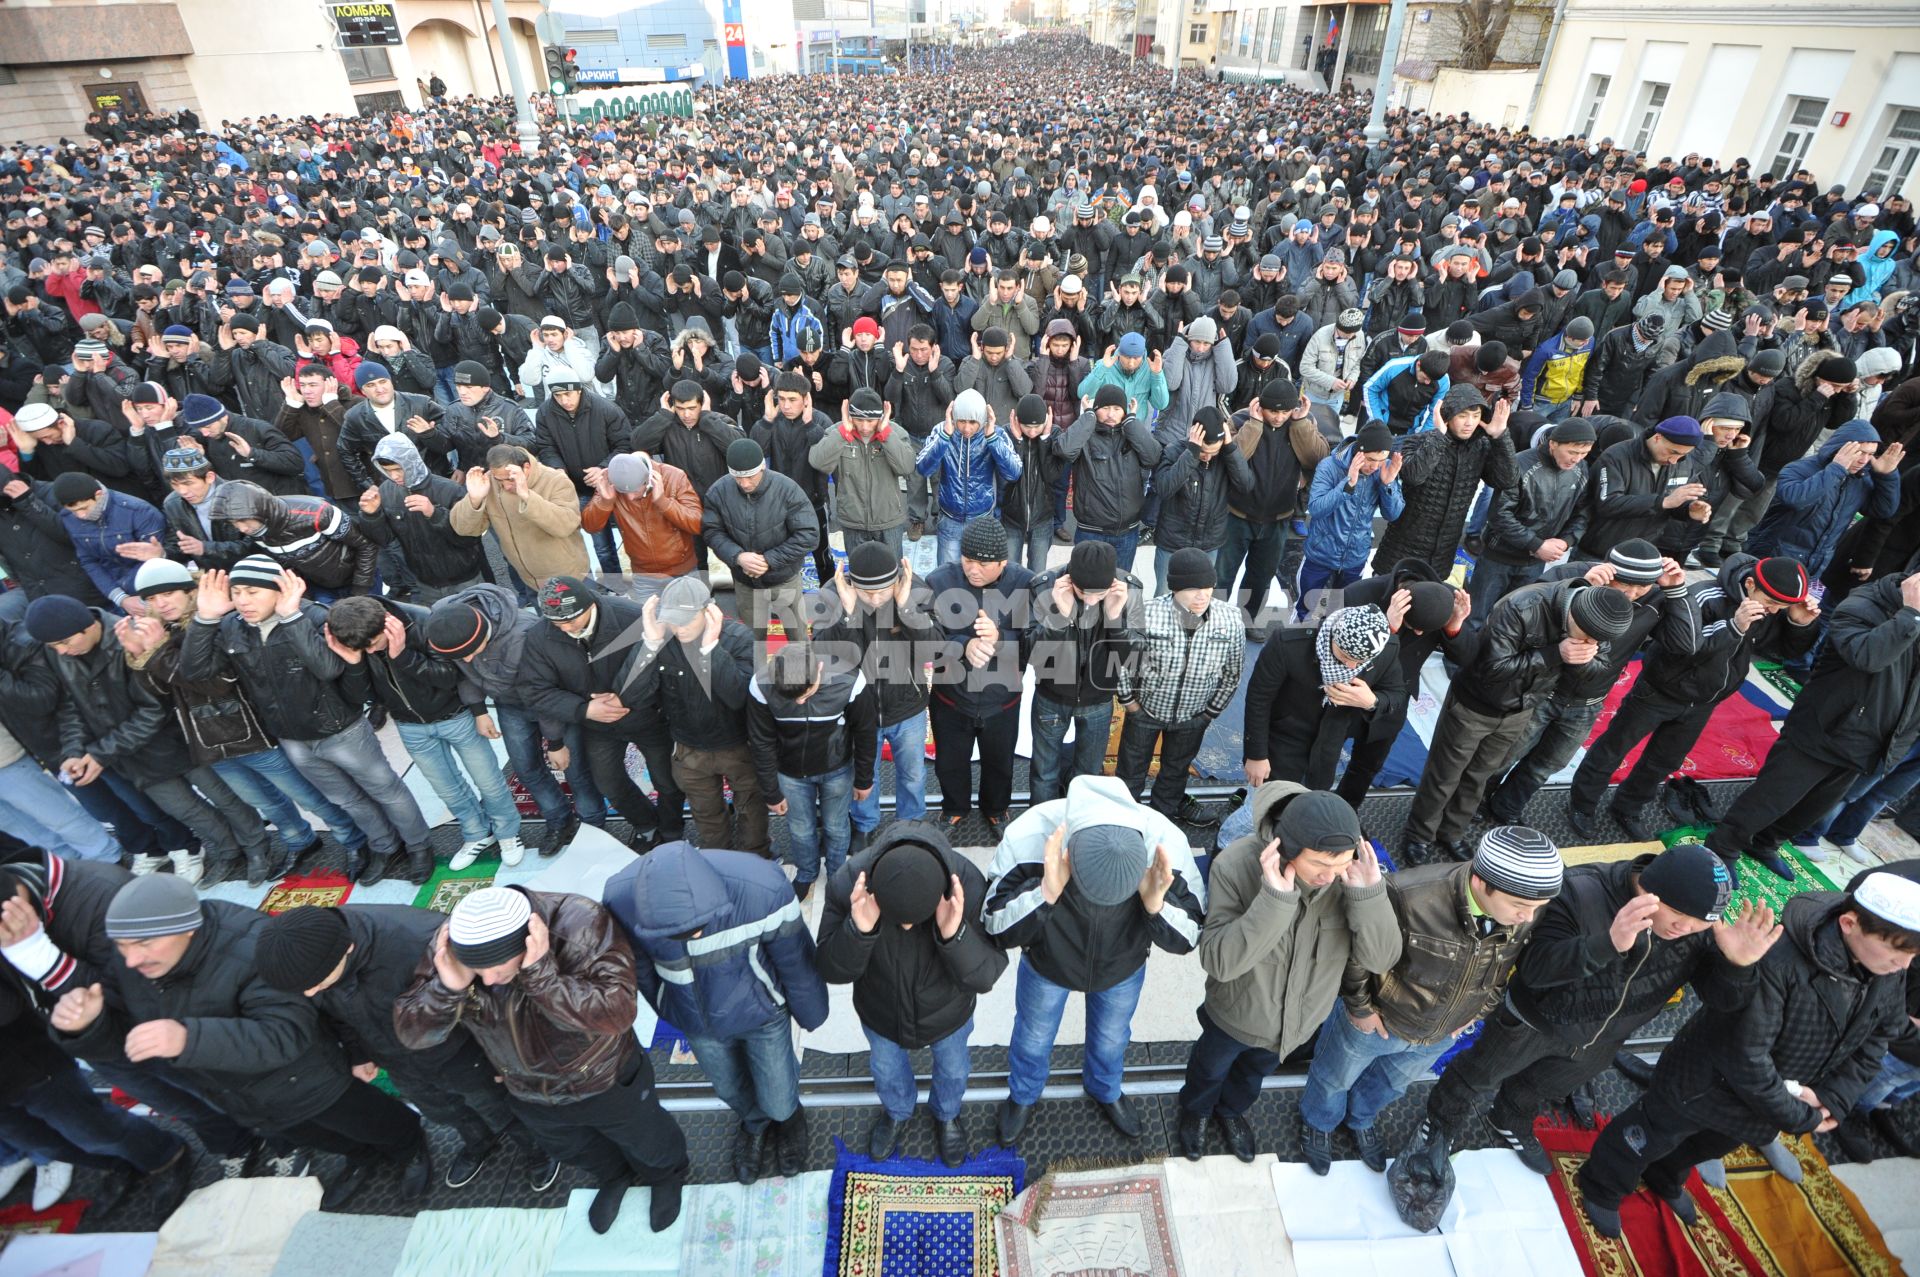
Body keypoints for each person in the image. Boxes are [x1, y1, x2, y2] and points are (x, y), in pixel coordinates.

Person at [52, 875, 430, 1211]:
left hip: (306, 1080)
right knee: (316, 1135)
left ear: (186, 928)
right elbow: (131, 1040)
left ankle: (409, 1148)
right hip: (237, 1096)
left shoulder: (250, 946)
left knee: (368, 1119)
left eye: (144, 943)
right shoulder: (138, 963)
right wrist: (89, 1026)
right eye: (122, 947)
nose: (131, 959)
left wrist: (188, 1038)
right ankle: (362, 1156)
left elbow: (286, 1033)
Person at [1575, 871, 1918, 1239]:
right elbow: (1745, 1054)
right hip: (1703, 1083)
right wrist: (1800, 1116)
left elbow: (1879, 1037)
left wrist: (1833, 1097)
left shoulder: (1885, 969)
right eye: (1899, 952)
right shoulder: (1780, 958)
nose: (1906, 966)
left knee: (1707, 1144)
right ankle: (1601, 1184)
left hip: (1763, 1106)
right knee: (1648, 1133)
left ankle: (1665, 1174)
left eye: (1913, 956)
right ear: (1849, 923)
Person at [394, 886, 689, 1235]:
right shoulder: (457, 942)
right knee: (574, 1147)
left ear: (527, 944)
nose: (487, 981)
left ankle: (666, 1176)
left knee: (646, 1136)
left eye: (497, 971)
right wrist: (448, 989)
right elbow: (413, 1033)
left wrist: (541, 976)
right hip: (526, 1089)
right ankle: (614, 1175)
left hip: (602, 1076)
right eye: (477, 971)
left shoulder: (582, 923)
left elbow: (617, 1012)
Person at [1300, 826, 1562, 1174]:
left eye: (1538, 907)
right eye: (1520, 906)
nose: (1528, 917)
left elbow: (1504, 966)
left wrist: (1479, 1011)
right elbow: (1357, 953)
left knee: (1392, 1084)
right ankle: (1320, 1122)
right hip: (1377, 1021)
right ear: (1483, 883)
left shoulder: (1525, 907)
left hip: (1440, 1033)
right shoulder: (1408, 896)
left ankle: (1360, 1119)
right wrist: (1361, 1008)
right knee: (1333, 1077)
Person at [253, 905, 551, 1194]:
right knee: (443, 1110)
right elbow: (335, 1013)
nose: (309, 993)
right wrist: (359, 1053)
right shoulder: (313, 963)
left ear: (345, 949)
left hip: (460, 1053)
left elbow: (493, 1003)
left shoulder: (418, 942)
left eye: (316, 984)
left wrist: (501, 1059)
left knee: (499, 1107)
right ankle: (479, 1142)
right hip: (396, 1059)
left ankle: (537, 1149)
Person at [179, 556, 432, 885]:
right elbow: (194, 672)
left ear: (280, 589)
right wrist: (205, 618)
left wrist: (291, 617)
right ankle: (385, 846)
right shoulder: (232, 627)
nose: (243, 600)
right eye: (237, 591)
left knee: (386, 790)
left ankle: (419, 846)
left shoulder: (313, 617)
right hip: (291, 737)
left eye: (253, 591)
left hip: (342, 730)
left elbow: (329, 669)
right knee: (346, 799)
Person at [983, 775, 1207, 1145]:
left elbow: (1189, 938)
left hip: (1121, 965)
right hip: (1048, 963)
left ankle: (1105, 1088)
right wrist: (1046, 892)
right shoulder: (1030, 834)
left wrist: (1155, 905)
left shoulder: (1165, 843)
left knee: (1111, 1039)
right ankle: (1023, 1094)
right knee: (1033, 1037)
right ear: (1070, 852)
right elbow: (994, 925)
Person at [1180, 787, 1399, 1162]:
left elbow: (1381, 958)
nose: (1330, 877)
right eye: (1319, 865)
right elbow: (1219, 961)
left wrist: (1370, 896)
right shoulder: (1235, 866)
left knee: (1251, 1078)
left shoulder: (1354, 880)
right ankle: (1195, 1112)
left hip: (1296, 1023)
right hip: (1235, 1013)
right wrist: (1274, 901)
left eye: (1340, 864)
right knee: (1209, 1068)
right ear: (1287, 847)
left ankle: (1230, 1112)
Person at [604, 842, 826, 1184]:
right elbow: (642, 968)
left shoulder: (762, 889)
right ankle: (753, 1123)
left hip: (762, 1015)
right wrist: (665, 1005)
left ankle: (788, 1118)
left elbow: (794, 959)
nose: (692, 936)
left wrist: (811, 1011)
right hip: (697, 1022)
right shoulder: (620, 901)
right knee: (728, 1087)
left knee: (778, 1095)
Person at [1569, 554, 1816, 848]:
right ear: (1750, 584)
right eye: (1772, 603)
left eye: (1782, 608)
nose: (1774, 611)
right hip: (1661, 689)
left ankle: (1628, 807)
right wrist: (1733, 626)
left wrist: (1801, 625)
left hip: (1703, 701)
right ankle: (1582, 804)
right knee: (1616, 746)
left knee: (1664, 760)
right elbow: (1684, 645)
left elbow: (1780, 651)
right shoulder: (1705, 596)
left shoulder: (1770, 608)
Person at [27, 594, 274, 887]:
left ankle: (258, 846)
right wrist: (73, 751)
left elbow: (154, 708)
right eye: (54, 647)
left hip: (179, 739)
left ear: (86, 625)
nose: (62, 651)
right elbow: (70, 710)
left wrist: (102, 753)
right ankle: (228, 851)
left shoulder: (129, 635)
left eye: (64, 643)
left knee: (224, 795)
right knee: (186, 809)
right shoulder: (59, 655)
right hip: (134, 757)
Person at [1709, 569, 1920, 882]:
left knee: (1811, 809)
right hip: (1826, 728)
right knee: (1771, 798)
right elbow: (1868, 657)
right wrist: (1911, 616)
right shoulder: (1862, 605)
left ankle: (1766, 843)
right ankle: (1722, 847)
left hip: (1873, 740)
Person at [816, 821, 1007, 1166]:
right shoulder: (848, 882)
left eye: (914, 921)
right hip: (881, 1011)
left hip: (948, 1013)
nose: (905, 927)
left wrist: (955, 934)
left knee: (953, 1069)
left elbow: (986, 975)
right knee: (885, 1069)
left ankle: (947, 1114)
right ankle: (898, 1111)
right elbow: (830, 969)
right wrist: (858, 930)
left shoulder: (967, 881)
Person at [1405, 577, 1635, 862]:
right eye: (1585, 638)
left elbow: (1600, 667)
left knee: (1479, 776)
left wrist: (1584, 659)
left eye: (1594, 642)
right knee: (1445, 775)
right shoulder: (1522, 606)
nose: (1589, 644)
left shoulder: (1598, 621)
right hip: (1475, 704)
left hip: (1522, 709)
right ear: (1574, 615)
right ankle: (1419, 835)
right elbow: (1490, 666)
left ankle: (1452, 831)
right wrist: (1555, 653)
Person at [1485, 544, 1696, 826]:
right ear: (1610, 571)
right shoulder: (1577, 573)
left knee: (1547, 765)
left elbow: (1687, 644)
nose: (1631, 595)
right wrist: (1580, 590)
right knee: (1506, 754)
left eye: (1640, 588)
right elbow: (1526, 607)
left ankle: (1507, 807)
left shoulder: (1657, 597)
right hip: (1542, 689)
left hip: (1588, 700)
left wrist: (1677, 590)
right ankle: (1475, 801)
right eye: (1624, 585)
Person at [322, 595, 526, 877]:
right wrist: (353, 664)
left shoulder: (422, 622)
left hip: (455, 716)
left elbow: (448, 676)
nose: (369, 652)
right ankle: (476, 833)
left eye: (372, 645)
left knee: (488, 781)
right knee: (447, 788)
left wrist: (403, 655)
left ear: (387, 626)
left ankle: (507, 832)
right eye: (361, 649)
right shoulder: (356, 640)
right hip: (410, 725)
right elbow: (361, 697)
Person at [520, 575, 684, 848]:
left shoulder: (630, 617)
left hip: (649, 717)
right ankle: (646, 826)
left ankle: (672, 829)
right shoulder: (541, 636)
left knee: (667, 780)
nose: (564, 628)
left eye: (571, 620)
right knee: (609, 784)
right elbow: (533, 690)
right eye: (557, 623)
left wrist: (630, 698)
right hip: (596, 725)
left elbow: (666, 669)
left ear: (590, 606)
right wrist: (584, 709)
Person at [1114, 548, 1244, 825]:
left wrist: (1209, 712)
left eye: (1207, 587)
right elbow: (1124, 664)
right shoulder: (1147, 613)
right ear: (1174, 588)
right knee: (1130, 771)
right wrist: (1131, 704)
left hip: (1193, 717)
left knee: (1175, 771)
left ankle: (1162, 819)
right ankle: (1124, 821)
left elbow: (1233, 673)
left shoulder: (1231, 619)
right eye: (1193, 588)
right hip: (1145, 712)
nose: (1202, 595)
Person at [924, 518, 1036, 833]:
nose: (974, 569)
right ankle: (953, 807)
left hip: (1002, 700)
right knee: (950, 762)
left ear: (1004, 561)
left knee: (1000, 763)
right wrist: (963, 645)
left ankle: (996, 809)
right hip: (951, 698)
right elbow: (922, 641)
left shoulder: (1025, 584)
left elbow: (1038, 644)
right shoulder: (939, 582)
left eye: (984, 564)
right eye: (968, 560)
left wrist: (1000, 639)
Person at [822, 544, 936, 851]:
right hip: (859, 711)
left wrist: (906, 607)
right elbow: (827, 655)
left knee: (912, 774)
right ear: (851, 583)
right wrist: (847, 614)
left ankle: (911, 824)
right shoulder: (833, 595)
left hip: (907, 705)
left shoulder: (919, 591)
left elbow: (934, 651)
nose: (874, 599)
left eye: (882, 591)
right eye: (866, 592)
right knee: (864, 773)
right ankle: (864, 824)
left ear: (898, 579)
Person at [747, 639, 877, 900]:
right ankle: (806, 873)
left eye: (806, 693)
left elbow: (865, 733)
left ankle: (838, 873)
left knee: (837, 826)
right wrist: (771, 792)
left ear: (819, 668)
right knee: (799, 828)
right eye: (792, 697)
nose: (800, 701)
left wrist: (864, 779)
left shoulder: (850, 680)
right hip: (790, 773)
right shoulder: (760, 686)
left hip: (837, 769)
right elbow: (761, 743)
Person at [1025, 540, 1144, 805]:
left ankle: (1079, 826)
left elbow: (1133, 659)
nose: (1090, 600)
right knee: (1044, 774)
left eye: (1098, 594)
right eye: (1083, 592)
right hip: (1051, 697)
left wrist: (1115, 619)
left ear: (1112, 584)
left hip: (1099, 699)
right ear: (1069, 580)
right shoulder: (1043, 587)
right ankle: (1044, 830)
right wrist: (1059, 617)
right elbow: (1030, 654)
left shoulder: (1130, 590)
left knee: (1088, 775)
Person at [1243, 603, 1406, 794]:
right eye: (1345, 656)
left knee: (1305, 813)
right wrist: (1256, 755)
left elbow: (1397, 693)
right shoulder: (1289, 644)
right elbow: (1259, 699)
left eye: (1361, 662)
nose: (1352, 666)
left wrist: (1371, 702)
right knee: (1257, 813)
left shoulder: (1386, 649)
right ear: (1333, 637)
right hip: (1282, 742)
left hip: (1327, 752)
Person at [1216, 379, 1330, 628]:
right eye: (1273, 411)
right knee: (1222, 576)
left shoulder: (1303, 422)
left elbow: (1318, 459)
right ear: (1260, 406)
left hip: (1278, 519)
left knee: (1260, 578)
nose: (1279, 417)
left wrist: (1300, 422)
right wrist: (1255, 425)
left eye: (1285, 412)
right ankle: (1216, 622)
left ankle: (1247, 621)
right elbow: (1232, 459)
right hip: (1236, 515)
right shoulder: (1240, 420)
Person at [1371, 387, 1516, 579]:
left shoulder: (1481, 447)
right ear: (1447, 414)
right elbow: (1414, 476)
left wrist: (1500, 437)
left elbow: (1507, 480)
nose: (1469, 423)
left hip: (1441, 558)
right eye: (1463, 415)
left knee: (1428, 607)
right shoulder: (1417, 441)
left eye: (1476, 415)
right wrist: (1439, 436)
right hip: (1400, 550)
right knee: (1384, 603)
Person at [1472, 418, 1593, 618]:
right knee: (1476, 616)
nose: (1576, 459)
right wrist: (1536, 544)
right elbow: (1499, 514)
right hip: (1499, 556)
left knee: (1513, 619)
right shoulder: (1520, 464)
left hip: (1536, 563)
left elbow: (1583, 512)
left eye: (1584, 453)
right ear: (1553, 443)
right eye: (1572, 452)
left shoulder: (1581, 469)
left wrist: (1565, 541)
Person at [702, 438, 818, 639]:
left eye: (750, 477)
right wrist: (737, 556)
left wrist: (769, 560)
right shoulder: (719, 492)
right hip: (745, 582)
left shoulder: (787, 490)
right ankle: (757, 671)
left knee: (798, 638)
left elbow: (809, 534)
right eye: (738, 478)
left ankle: (803, 671)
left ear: (763, 466)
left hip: (784, 580)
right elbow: (711, 531)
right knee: (752, 642)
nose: (745, 484)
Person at [448, 443, 591, 593]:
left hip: (570, 576)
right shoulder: (489, 483)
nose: (506, 486)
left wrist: (527, 496)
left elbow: (565, 525)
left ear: (526, 467)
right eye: (499, 480)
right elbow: (463, 529)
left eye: (510, 479)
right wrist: (474, 500)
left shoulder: (555, 480)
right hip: (529, 580)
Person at [1297, 422, 1406, 614]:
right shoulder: (1330, 466)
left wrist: (1387, 485)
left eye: (1381, 460)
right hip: (1321, 555)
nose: (1375, 466)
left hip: (1354, 558)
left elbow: (1393, 514)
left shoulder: (1384, 469)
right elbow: (1316, 509)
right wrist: (1348, 485)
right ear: (1359, 452)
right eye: (1371, 459)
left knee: (1342, 613)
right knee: (1307, 611)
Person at [1056, 383, 1162, 570]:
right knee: (1086, 589)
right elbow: (1064, 450)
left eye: (1116, 409)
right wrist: (1087, 417)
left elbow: (1153, 457)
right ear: (1096, 410)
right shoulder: (1086, 436)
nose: (1111, 414)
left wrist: (1131, 422)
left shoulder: (1132, 434)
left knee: (1119, 589)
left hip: (1126, 533)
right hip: (1091, 532)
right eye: (1105, 408)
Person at [914, 388, 1023, 565]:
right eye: (961, 421)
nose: (966, 428)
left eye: (973, 422)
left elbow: (1014, 473)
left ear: (982, 418)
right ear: (953, 417)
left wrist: (992, 438)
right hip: (950, 519)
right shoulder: (942, 431)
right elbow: (922, 468)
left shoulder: (995, 433)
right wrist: (945, 437)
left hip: (982, 520)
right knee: (947, 578)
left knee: (978, 576)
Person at [808, 388, 916, 560]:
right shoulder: (838, 432)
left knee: (893, 573)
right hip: (853, 520)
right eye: (859, 420)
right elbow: (818, 461)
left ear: (881, 417)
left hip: (888, 520)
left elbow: (907, 466)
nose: (865, 427)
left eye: (871, 421)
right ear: (850, 416)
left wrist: (885, 434)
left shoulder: (894, 432)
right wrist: (844, 432)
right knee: (858, 575)